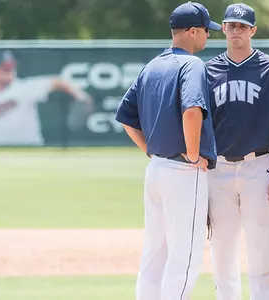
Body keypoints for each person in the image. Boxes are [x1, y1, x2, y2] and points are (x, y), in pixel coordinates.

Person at [114, 2, 220, 299]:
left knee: (154, 254)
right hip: (183, 171)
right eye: (205, 31)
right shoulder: (192, 65)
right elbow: (192, 110)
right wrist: (194, 153)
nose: (207, 37)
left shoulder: (153, 66)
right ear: (191, 31)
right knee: (184, 257)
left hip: (157, 170)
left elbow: (125, 117)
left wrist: (150, 150)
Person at [204, 3, 269, 300]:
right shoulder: (208, 70)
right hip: (219, 169)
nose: (236, 31)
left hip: (260, 165)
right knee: (222, 250)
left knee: (263, 249)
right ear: (224, 29)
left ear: (253, 30)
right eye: (231, 25)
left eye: (242, 26)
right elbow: (202, 124)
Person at [0, 49, 93, 146]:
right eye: (5, 68)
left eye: (11, 66)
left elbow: (58, 81)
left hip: (30, 150)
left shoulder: (22, 88)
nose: (10, 70)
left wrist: (81, 96)